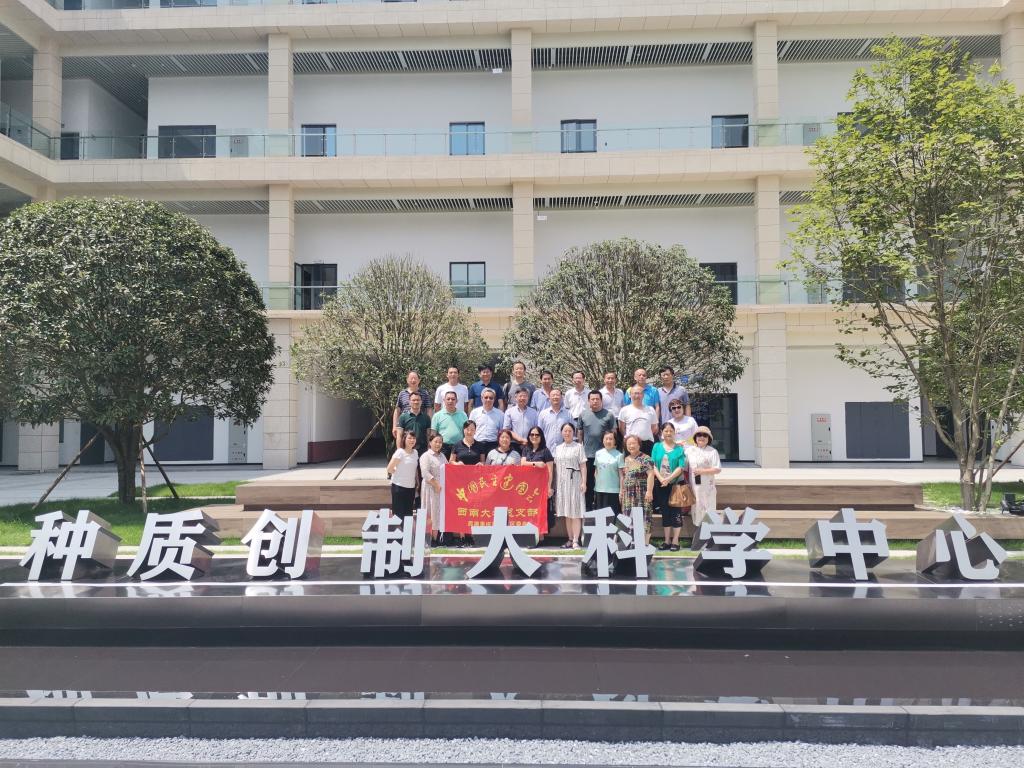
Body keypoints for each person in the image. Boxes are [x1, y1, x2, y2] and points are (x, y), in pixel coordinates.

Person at [577, 390, 616, 510]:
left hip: (605, 457)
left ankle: (602, 509)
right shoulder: (583, 415)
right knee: (588, 484)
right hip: (588, 456)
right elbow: (580, 434)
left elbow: (613, 434)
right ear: (588, 401)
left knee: (603, 484)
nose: (595, 401)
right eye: (592, 399)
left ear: (601, 400)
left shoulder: (609, 415)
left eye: (597, 399)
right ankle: (588, 510)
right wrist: (580, 450)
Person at [651, 422, 687, 551]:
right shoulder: (657, 446)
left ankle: (675, 541)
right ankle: (666, 541)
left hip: (675, 484)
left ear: (674, 432)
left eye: (671, 431)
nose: (668, 433)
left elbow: (681, 467)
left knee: (676, 512)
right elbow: (653, 464)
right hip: (660, 484)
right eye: (666, 431)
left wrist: (668, 479)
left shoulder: (679, 449)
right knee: (665, 511)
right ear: (661, 433)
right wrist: (661, 479)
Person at [553, 422, 587, 549]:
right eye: (565, 431)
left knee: (576, 512)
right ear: (561, 433)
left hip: (575, 482)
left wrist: (584, 482)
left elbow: (583, 465)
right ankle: (570, 539)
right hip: (562, 484)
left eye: (570, 431)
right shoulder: (558, 448)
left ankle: (576, 540)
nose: (567, 433)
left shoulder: (578, 447)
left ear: (574, 433)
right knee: (567, 512)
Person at [621, 434, 655, 544]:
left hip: (642, 493)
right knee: (629, 517)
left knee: (645, 517)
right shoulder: (626, 459)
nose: (631, 446)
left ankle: (645, 544)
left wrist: (649, 491)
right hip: (628, 494)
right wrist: (622, 491)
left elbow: (651, 474)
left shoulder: (646, 458)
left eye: (633, 443)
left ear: (639, 445)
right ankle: (633, 543)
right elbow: (624, 477)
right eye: (629, 444)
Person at [522, 426, 555, 540]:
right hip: (528, 487)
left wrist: (549, 487)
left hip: (541, 487)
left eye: (537, 435)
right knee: (529, 511)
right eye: (532, 435)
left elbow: (550, 471)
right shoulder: (526, 449)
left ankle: (540, 537)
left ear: (541, 437)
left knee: (540, 512)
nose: (534, 437)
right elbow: (522, 463)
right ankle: (531, 536)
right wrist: (536, 464)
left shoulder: (545, 451)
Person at [686, 425, 721, 525]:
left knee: (708, 507)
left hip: (707, 487)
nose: (702, 437)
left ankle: (707, 531)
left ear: (708, 438)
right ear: (695, 438)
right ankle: (698, 530)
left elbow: (717, 469)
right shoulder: (689, 450)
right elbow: (683, 466)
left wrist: (702, 471)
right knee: (696, 506)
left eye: (705, 435)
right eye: (699, 435)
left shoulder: (712, 451)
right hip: (694, 486)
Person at [419, 430, 447, 545]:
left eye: (440, 442)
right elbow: (425, 473)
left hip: (440, 489)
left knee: (438, 513)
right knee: (430, 512)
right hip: (430, 488)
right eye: (436, 442)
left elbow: (448, 468)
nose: (438, 444)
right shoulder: (426, 456)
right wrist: (436, 484)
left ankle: (436, 538)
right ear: (430, 442)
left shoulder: (442, 456)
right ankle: (428, 539)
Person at [386, 430, 419, 520]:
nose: (412, 440)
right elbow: (389, 468)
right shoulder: (400, 452)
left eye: (414, 438)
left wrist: (417, 481)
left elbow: (415, 468)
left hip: (411, 487)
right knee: (398, 514)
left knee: (408, 514)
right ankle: (399, 530)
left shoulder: (415, 452)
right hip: (399, 487)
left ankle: (406, 530)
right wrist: (399, 474)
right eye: (409, 438)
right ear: (404, 439)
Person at [618, 385, 658, 454]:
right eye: (635, 393)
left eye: (639, 393)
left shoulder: (650, 409)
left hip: (647, 444)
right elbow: (622, 428)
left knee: (647, 461)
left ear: (643, 395)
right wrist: (629, 438)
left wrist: (644, 435)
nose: (637, 396)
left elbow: (654, 427)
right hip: (631, 445)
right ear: (630, 395)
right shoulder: (624, 410)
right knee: (630, 461)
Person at [392, 370, 432, 440]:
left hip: (420, 425)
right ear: (407, 380)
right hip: (405, 424)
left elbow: (429, 409)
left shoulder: (424, 393)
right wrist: (394, 426)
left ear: (419, 380)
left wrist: (429, 425)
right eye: (411, 378)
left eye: (415, 378)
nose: (413, 380)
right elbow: (397, 410)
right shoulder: (402, 393)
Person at [593, 430, 624, 516]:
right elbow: (596, 471)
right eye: (606, 439)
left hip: (613, 491)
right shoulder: (598, 454)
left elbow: (621, 475)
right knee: (600, 518)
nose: (608, 441)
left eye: (611, 439)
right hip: (599, 490)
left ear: (615, 441)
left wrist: (621, 491)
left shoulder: (619, 455)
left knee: (611, 517)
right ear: (603, 440)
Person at [430, 390, 468, 458]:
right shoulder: (437, 415)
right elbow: (433, 434)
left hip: (459, 447)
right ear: (444, 400)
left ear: (457, 401)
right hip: (442, 447)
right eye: (448, 399)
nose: (450, 401)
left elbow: (466, 432)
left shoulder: (463, 415)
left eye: (453, 399)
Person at [468, 387, 503, 458]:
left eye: (491, 398)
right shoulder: (474, 412)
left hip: (493, 445)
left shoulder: (500, 414)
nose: (488, 399)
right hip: (477, 444)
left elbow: (502, 431)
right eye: (486, 397)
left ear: (494, 399)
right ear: (481, 398)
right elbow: (470, 429)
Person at [537, 388, 572, 453]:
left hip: (564, 451)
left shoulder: (568, 414)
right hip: (547, 451)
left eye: (557, 395)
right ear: (549, 398)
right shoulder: (543, 414)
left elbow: (572, 433)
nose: (555, 397)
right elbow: (539, 433)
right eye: (553, 395)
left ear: (562, 398)